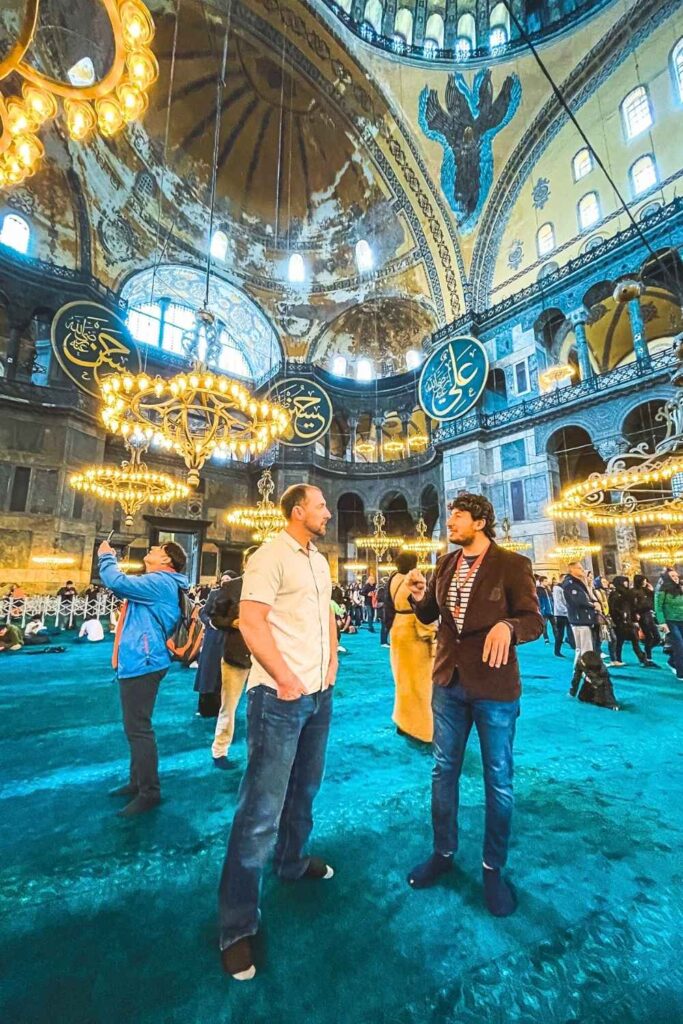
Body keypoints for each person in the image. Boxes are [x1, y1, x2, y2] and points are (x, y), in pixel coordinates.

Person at [404, 492, 543, 917]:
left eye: (458, 516)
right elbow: (431, 615)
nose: (451, 522)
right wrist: (416, 595)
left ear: (480, 522)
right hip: (448, 683)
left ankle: (491, 869)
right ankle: (443, 854)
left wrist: (508, 625)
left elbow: (534, 619)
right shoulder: (445, 564)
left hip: (494, 687)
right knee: (443, 769)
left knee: (498, 779)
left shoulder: (511, 565)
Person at [218, 483, 337, 981]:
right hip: (278, 698)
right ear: (297, 511)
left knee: (304, 791)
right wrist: (286, 678)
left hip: (318, 694)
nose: (328, 513)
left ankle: (291, 862)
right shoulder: (270, 555)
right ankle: (236, 927)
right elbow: (250, 622)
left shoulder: (319, 560)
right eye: (321, 506)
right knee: (260, 812)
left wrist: (329, 665)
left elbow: (325, 614)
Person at [98, 539, 188, 817]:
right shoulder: (159, 580)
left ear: (167, 561)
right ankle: (137, 781)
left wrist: (106, 557)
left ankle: (150, 791)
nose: (152, 549)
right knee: (135, 727)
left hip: (145, 662)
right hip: (141, 660)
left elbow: (116, 581)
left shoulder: (161, 582)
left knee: (139, 729)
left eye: (158, 549)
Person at [208, 562, 253, 767]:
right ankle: (220, 750)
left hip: (265, 656)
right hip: (236, 653)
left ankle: (260, 750)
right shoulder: (232, 587)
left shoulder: (274, 585)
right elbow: (215, 617)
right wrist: (231, 623)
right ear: (246, 563)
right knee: (229, 705)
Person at [389, 551, 437, 742]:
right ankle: (422, 729)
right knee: (421, 683)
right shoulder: (414, 578)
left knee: (402, 681)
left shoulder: (393, 579)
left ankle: (402, 722)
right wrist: (431, 634)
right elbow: (422, 606)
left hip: (398, 628)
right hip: (414, 630)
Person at [194, 572, 234, 718]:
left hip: (228, 638)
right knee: (208, 673)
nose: (225, 582)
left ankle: (221, 708)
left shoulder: (237, 596)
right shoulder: (214, 594)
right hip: (212, 638)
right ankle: (204, 707)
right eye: (223, 579)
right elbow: (203, 613)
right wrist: (210, 623)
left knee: (223, 675)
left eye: (228, 580)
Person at [609, 576, 653, 668]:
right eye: (624, 581)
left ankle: (642, 659)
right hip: (620, 621)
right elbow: (613, 609)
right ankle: (618, 659)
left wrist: (633, 617)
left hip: (628, 621)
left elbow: (631, 607)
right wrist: (621, 616)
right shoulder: (615, 594)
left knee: (634, 640)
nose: (626, 583)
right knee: (620, 641)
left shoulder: (626, 593)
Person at [561, 561, 598, 662]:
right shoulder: (570, 584)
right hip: (580, 618)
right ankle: (587, 673)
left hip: (582, 618)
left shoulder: (577, 582)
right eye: (579, 568)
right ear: (572, 570)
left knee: (582, 649)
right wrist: (593, 605)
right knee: (585, 649)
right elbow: (579, 601)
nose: (582, 570)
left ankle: (579, 671)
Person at [654, 567, 683, 679]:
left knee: (680, 646)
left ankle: (672, 661)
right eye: (672, 576)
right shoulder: (662, 590)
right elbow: (658, 608)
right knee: (680, 645)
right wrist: (662, 623)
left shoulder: (680, 589)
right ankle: (681, 672)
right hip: (670, 621)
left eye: (676, 576)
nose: (676, 578)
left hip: (682, 619)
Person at [632, 574, 660, 656]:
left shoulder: (646, 590)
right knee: (648, 636)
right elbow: (633, 604)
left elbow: (653, 599)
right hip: (642, 615)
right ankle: (648, 656)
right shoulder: (634, 592)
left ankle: (647, 649)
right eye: (643, 581)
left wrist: (651, 591)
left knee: (657, 637)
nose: (645, 582)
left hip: (649, 613)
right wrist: (635, 613)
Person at [593, 577, 619, 665]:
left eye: (606, 581)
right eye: (603, 581)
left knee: (613, 638)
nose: (606, 583)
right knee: (599, 640)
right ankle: (598, 661)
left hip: (607, 617)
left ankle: (613, 659)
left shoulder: (606, 592)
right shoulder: (596, 592)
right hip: (601, 617)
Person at [551, 576, 575, 657]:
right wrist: (566, 611)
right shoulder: (557, 588)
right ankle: (557, 651)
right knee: (560, 633)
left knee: (571, 631)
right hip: (560, 614)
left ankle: (572, 643)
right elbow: (559, 603)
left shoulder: (565, 588)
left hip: (568, 613)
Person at [535, 576, 553, 645]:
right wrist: (541, 609)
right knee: (544, 626)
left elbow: (551, 599)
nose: (547, 582)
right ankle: (546, 639)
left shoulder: (548, 589)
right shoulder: (538, 590)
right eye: (545, 581)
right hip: (544, 611)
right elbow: (538, 601)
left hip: (551, 610)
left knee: (554, 626)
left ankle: (558, 638)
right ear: (541, 582)